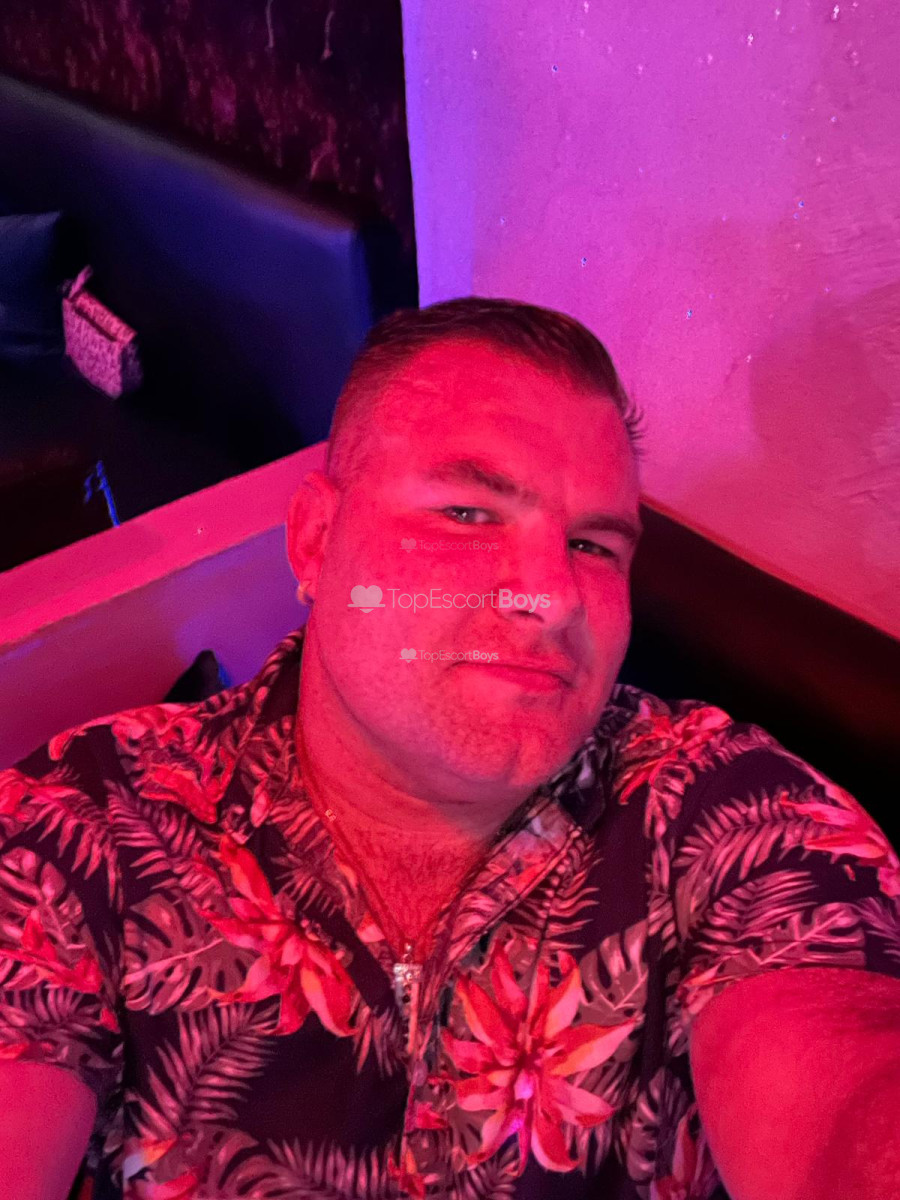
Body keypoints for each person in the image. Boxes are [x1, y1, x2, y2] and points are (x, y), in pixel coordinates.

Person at [0, 298, 898, 1200]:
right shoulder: (83, 827)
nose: (554, 597)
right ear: (316, 540)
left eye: (593, 545)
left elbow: (843, 1084)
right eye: (468, 513)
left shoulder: (729, 815)